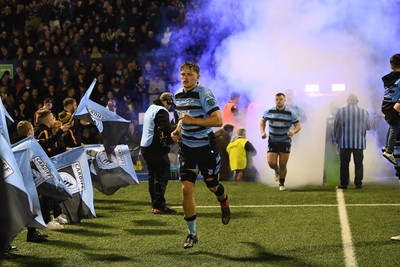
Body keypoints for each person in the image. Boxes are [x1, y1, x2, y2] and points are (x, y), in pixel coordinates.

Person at [171, 61, 230, 249]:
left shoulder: (204, 93)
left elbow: (218, 120)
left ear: (197, 77)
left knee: (212, 185)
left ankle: (224, 202)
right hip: (187, 148)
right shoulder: (177, 95)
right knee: (186, 189)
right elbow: (181, 119)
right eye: (182, 74)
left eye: (189, 74)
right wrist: (177, 130)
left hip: (206, 147)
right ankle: (192, 234)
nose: (185, 78)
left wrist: (193, 120)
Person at [140, 92, 177, 214]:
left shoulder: (151, 108)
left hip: (146, 147)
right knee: (162, 175)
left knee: (153, 176)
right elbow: (166, 128)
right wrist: (176, 126)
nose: (170, 107)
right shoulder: (162, 111)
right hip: (155, 148)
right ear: (168, 101)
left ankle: (155, 203)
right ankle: (159, 205)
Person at [260, 92, 301, 191]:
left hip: (285, 141)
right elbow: (262, 121)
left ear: (284, 100)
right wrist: (262, 132)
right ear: (275, 100)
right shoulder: (269, 110)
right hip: (272, 140)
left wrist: (293, 131)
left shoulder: (290, 112)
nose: (279, 101)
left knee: (283, 164)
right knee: (271, 163)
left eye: (281, 99)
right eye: (277, 99)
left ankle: (281, 184)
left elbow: (298, 126)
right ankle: (276, 170)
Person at [332, 94, 371, 189]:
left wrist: (335, 141)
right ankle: (358, 184)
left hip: (344, 142)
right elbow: (368, 127)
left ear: (347, 100)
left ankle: (344, 184)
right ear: (357, 101)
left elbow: (335, 127)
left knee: (344, 164)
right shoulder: (364, 112)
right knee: (358, 164)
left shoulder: (341, 111)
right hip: (359, 143)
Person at [381, 54, 400, 165]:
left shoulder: (388, 78)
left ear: (391, 66)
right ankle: (389, 151)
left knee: (392, 124)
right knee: (396, 126)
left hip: (385, 105)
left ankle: (386, 146)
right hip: (394, 106)